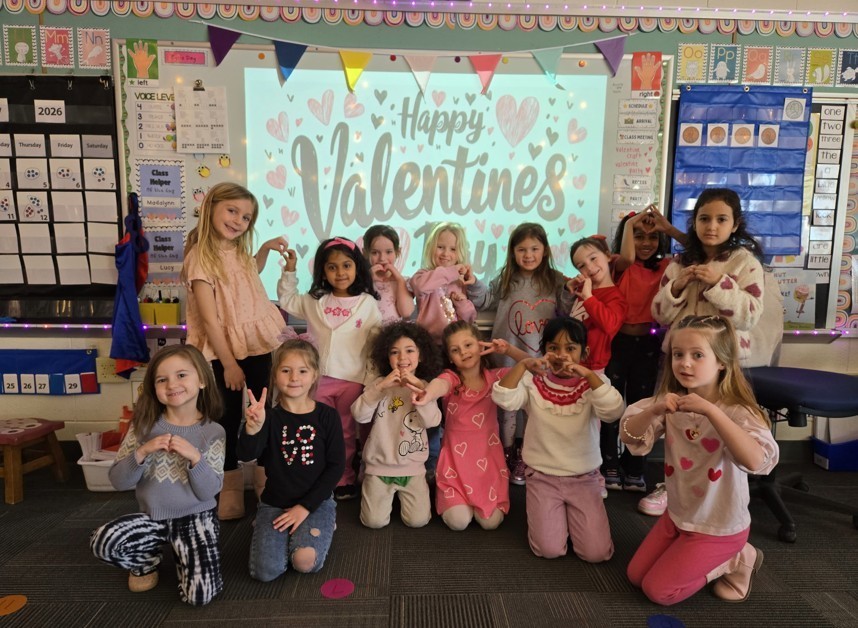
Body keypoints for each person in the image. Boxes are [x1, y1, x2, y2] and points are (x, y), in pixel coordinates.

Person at [620, 315, 779, 606]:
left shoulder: (739, 411)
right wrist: (654, 410)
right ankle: (695, 551)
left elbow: (757, 462)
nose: (684, 363)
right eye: (678, 355)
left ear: (721, 361)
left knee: (659, 591)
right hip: (680, 515)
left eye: (697, 355)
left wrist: (712, 412)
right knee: (635, 576)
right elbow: (630, 436)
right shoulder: (674, 402)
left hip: (719, 525)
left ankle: (738, 558)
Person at [182, 182, 287, 520]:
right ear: (211, 205)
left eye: (246, 217)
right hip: (221, 350)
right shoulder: (200, 257)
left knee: (261, 410)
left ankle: (262, 474)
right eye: (232, 211)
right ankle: (228, 483)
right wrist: (228, 364)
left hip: (254, 342)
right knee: (225, 417)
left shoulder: (240, 249)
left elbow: (248, 273)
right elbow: (211, 322)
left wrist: (266, 250)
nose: (239, 221)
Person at [90, 345, 225, 606]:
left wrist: (195, 458)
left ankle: (184, 553)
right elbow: (118, 481)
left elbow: (209, 492)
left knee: (199, 598)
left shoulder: (213, 431)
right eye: (162, 379)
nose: (172, 384)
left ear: (202, 380)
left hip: (195, 518)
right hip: (151, 517)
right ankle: (147, 559)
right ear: (154, 388)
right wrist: (142, 452)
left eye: (181, 375)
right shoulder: (142, 425)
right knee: (104, 541)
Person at [492, 317, 625, 562]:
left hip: (583, 478)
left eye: (570, 348)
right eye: (554, 348)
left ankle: (576, 521)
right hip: (543, 477)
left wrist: (586, 373)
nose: (561, 355)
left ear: (583, 352)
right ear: (545, 351)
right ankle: (559, 521)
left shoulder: (595, 383)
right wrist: (523, 365)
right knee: (548, 550)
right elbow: (504, 398)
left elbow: (613, 411)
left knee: (596, 554)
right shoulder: (534, 381)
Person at [468, 223, 574, 485]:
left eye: (534, 249)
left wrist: (572, 290)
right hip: (507, 360)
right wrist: (472, 283)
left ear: (545, 250)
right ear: (512, 252)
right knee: (507, 410)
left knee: (533, 409)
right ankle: (506, 453)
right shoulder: (507, 279)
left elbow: (568, 307)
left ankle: (525, 454)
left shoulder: (556, 279)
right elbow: (485, 299)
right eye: (522, 249)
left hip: (541, 362)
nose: (528, 255)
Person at [277, 236, 382, 501]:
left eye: (346, 265)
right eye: (332, 267)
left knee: (346, 432)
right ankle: (316, 476)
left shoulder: (367, 303)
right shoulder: (315, 301)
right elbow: (288, 300)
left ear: (357, 267)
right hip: (317, 379)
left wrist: (370, 379)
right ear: (323, 271)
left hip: (352, 379)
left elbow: (373, 344)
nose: (340, 272)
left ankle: (344, 476)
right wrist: (289, 270)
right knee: (316, 430)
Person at [237, 340, 345, 582]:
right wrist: (253, 428)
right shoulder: (269, 417)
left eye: (303, 371)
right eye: (286, 370)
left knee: (304, 562)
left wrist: (305, 508)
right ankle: (274, 531)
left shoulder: (327, 416)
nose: (294, 377)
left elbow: (336, 466)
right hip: (275, 502)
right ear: (275, 375)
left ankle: (324, 522)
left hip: (316, 502)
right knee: (266, 572)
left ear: (314, 374)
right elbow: (246, 455)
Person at [604, 207, 685, 501]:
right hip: (617, 343)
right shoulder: (618, 263)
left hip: (649, 346)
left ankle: (634, 465)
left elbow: (700, 253)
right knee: (612, 408)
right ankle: (610, 464)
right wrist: (631, 224)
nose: (646, 242)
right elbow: (626, 255)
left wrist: (670, 230)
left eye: (653, 236)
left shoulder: (667, 267)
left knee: (642, 407)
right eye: (638, 235)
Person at [415, 321, 526, 531]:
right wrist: (427, 394)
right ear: (449, 357)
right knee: (458, 522)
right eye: (455, 350)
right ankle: (457, 498)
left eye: (468, 345)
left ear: (480, 346)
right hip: (455, 465)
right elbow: (440, 385)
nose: (464, 353)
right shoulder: (452, 379)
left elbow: (534, 367)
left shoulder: (496, 379)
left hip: (488, 464)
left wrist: (509, 349)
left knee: (490, 523)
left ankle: (480, 500)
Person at [651, 187, 765, 368]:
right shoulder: (679, 263)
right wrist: (675, 288)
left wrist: (720, 284)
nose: (712, 226)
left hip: (724, 359)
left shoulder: (745, 264)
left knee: (716, 398)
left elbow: (749, 318)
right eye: (704, 219)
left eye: (722, 220)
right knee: (675, 397)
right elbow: (660, 316)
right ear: (695, 223)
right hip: (681, 356)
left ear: (735, 224)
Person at [350, 322, 443, 528]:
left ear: (422, 355)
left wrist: (421, 392)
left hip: (413, 468)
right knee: (373, 522)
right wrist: (381, 387)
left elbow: (433, 421)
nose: (402, 358)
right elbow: (359, 415)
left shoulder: (425, 386)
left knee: (417, 521)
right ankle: (380, 493)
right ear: (387, 357)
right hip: (378, 467)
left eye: (409, 350)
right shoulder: (379, 384)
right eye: (395, 352)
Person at [568, 235, 628, 496]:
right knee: (572, 427)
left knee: (592, 430)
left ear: (608, 255)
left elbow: (611, 324)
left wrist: (589, 297)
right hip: (570, 370)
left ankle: (595, 478)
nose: (589, 268)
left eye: (593, 258)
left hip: (594, 372)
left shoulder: (614, 296)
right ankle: (572, 474)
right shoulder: (582, 292)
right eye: (581, 265)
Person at [410, 221, 477, 344]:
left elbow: (469, 319)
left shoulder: (460, 281)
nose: (446, 254)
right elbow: (420, 287)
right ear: (431, 248)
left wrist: (462, 303)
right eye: (440, 247)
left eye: (453, 249)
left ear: (460, 252)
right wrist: (451, 271)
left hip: (455, 343)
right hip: (428, 342)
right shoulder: (423, 275)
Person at [362, 225, 415, 324]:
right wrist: (368, 280)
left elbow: (406, 313)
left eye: (389, 252)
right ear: (365, 253)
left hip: (395, 336)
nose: (382, 258)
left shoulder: (403, 281)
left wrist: (399, 280)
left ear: (397, 252)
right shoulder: (361, 281)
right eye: (375, 253)